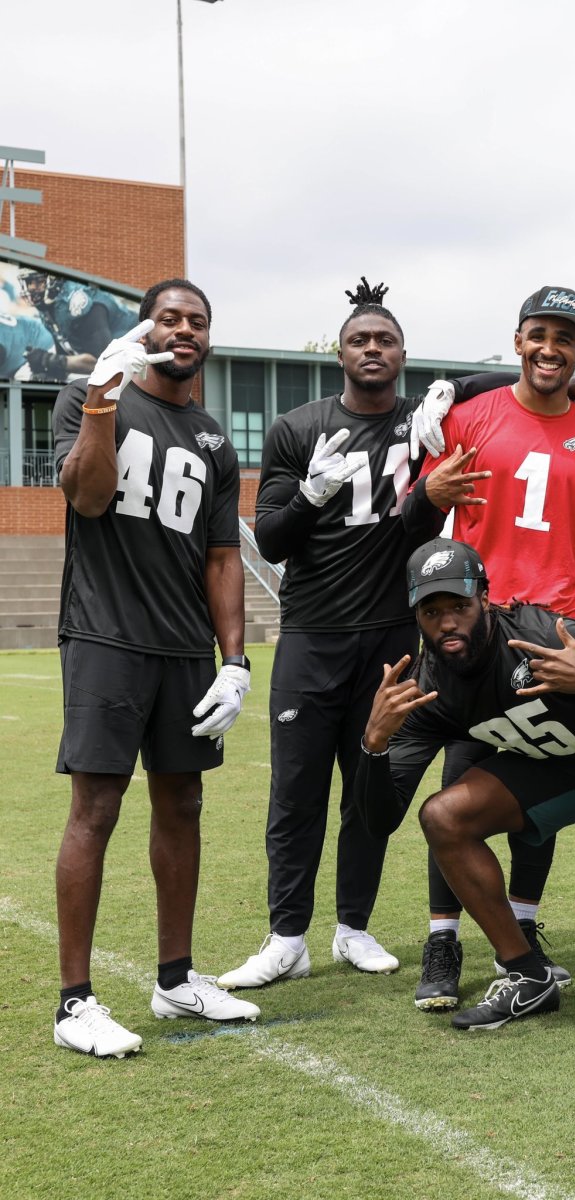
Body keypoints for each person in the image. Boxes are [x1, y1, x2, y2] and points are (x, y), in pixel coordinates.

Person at [218, 280, 496, 991]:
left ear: (404, 353)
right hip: (313, 633)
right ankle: (286, 937)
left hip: (395, 638)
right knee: (297, 792)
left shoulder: (425, 424)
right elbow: (272, 542)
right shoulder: (296, 427)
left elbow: (510, 382)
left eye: (386, 340)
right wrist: (311, 496)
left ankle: (353, 927)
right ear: (339, 353)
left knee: (370, 787)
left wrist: (451, 388)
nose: (372, 349)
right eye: (359, 340)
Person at [353, 538, 575, 1033]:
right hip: (558, 761)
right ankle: (528, 975)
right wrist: (373, 744)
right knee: (443, 816)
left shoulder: (539, 633)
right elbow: (380, 820)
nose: (447, 622)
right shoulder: (430, 684)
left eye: (458, 606)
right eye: (431, 611)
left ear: (485, 597)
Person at [399, 286, 575, 1009]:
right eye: (538, 333)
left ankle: (524, 934)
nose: (549, 348)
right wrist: (428, 495)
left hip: (556, 636)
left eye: (565, 338)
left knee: (539, 789)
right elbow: (412, 527)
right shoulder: (470, 418)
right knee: (460, 782)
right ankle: (444, 938)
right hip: (471, 633)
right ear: (518, 338)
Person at [51, 280, 260, 1058]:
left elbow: (221, 556)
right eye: (169, 317)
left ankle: (176, 979)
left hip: (184, 648)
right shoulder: (90, 393)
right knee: (96, 809)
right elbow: (91, 497)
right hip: (106, 635)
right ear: (146, 327)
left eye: (197, 321)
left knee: (184, 804)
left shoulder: (211, 436)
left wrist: (234, 660)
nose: (183, 329)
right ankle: (75, 1003)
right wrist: (103, 402)